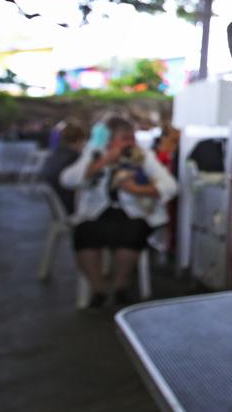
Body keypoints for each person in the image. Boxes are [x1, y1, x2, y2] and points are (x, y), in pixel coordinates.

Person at [61, 115, 177, 308]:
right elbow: (68, 179)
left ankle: (120, 286)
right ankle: (97, 289)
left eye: (132, 138)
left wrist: (137, 190)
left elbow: (170, 187)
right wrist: (104, 161)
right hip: (97, 213)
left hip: (133, 214)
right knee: (84, 233)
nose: (130, 143)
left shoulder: (142, 156)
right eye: (125, 138)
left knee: (133, 233)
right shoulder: (95, 154)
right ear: (110, 140)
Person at [39, 121, 87, 215]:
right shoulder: (75, 158)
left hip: (55, 207)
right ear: (79, 140)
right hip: (69, 206)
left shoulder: (52, 156)